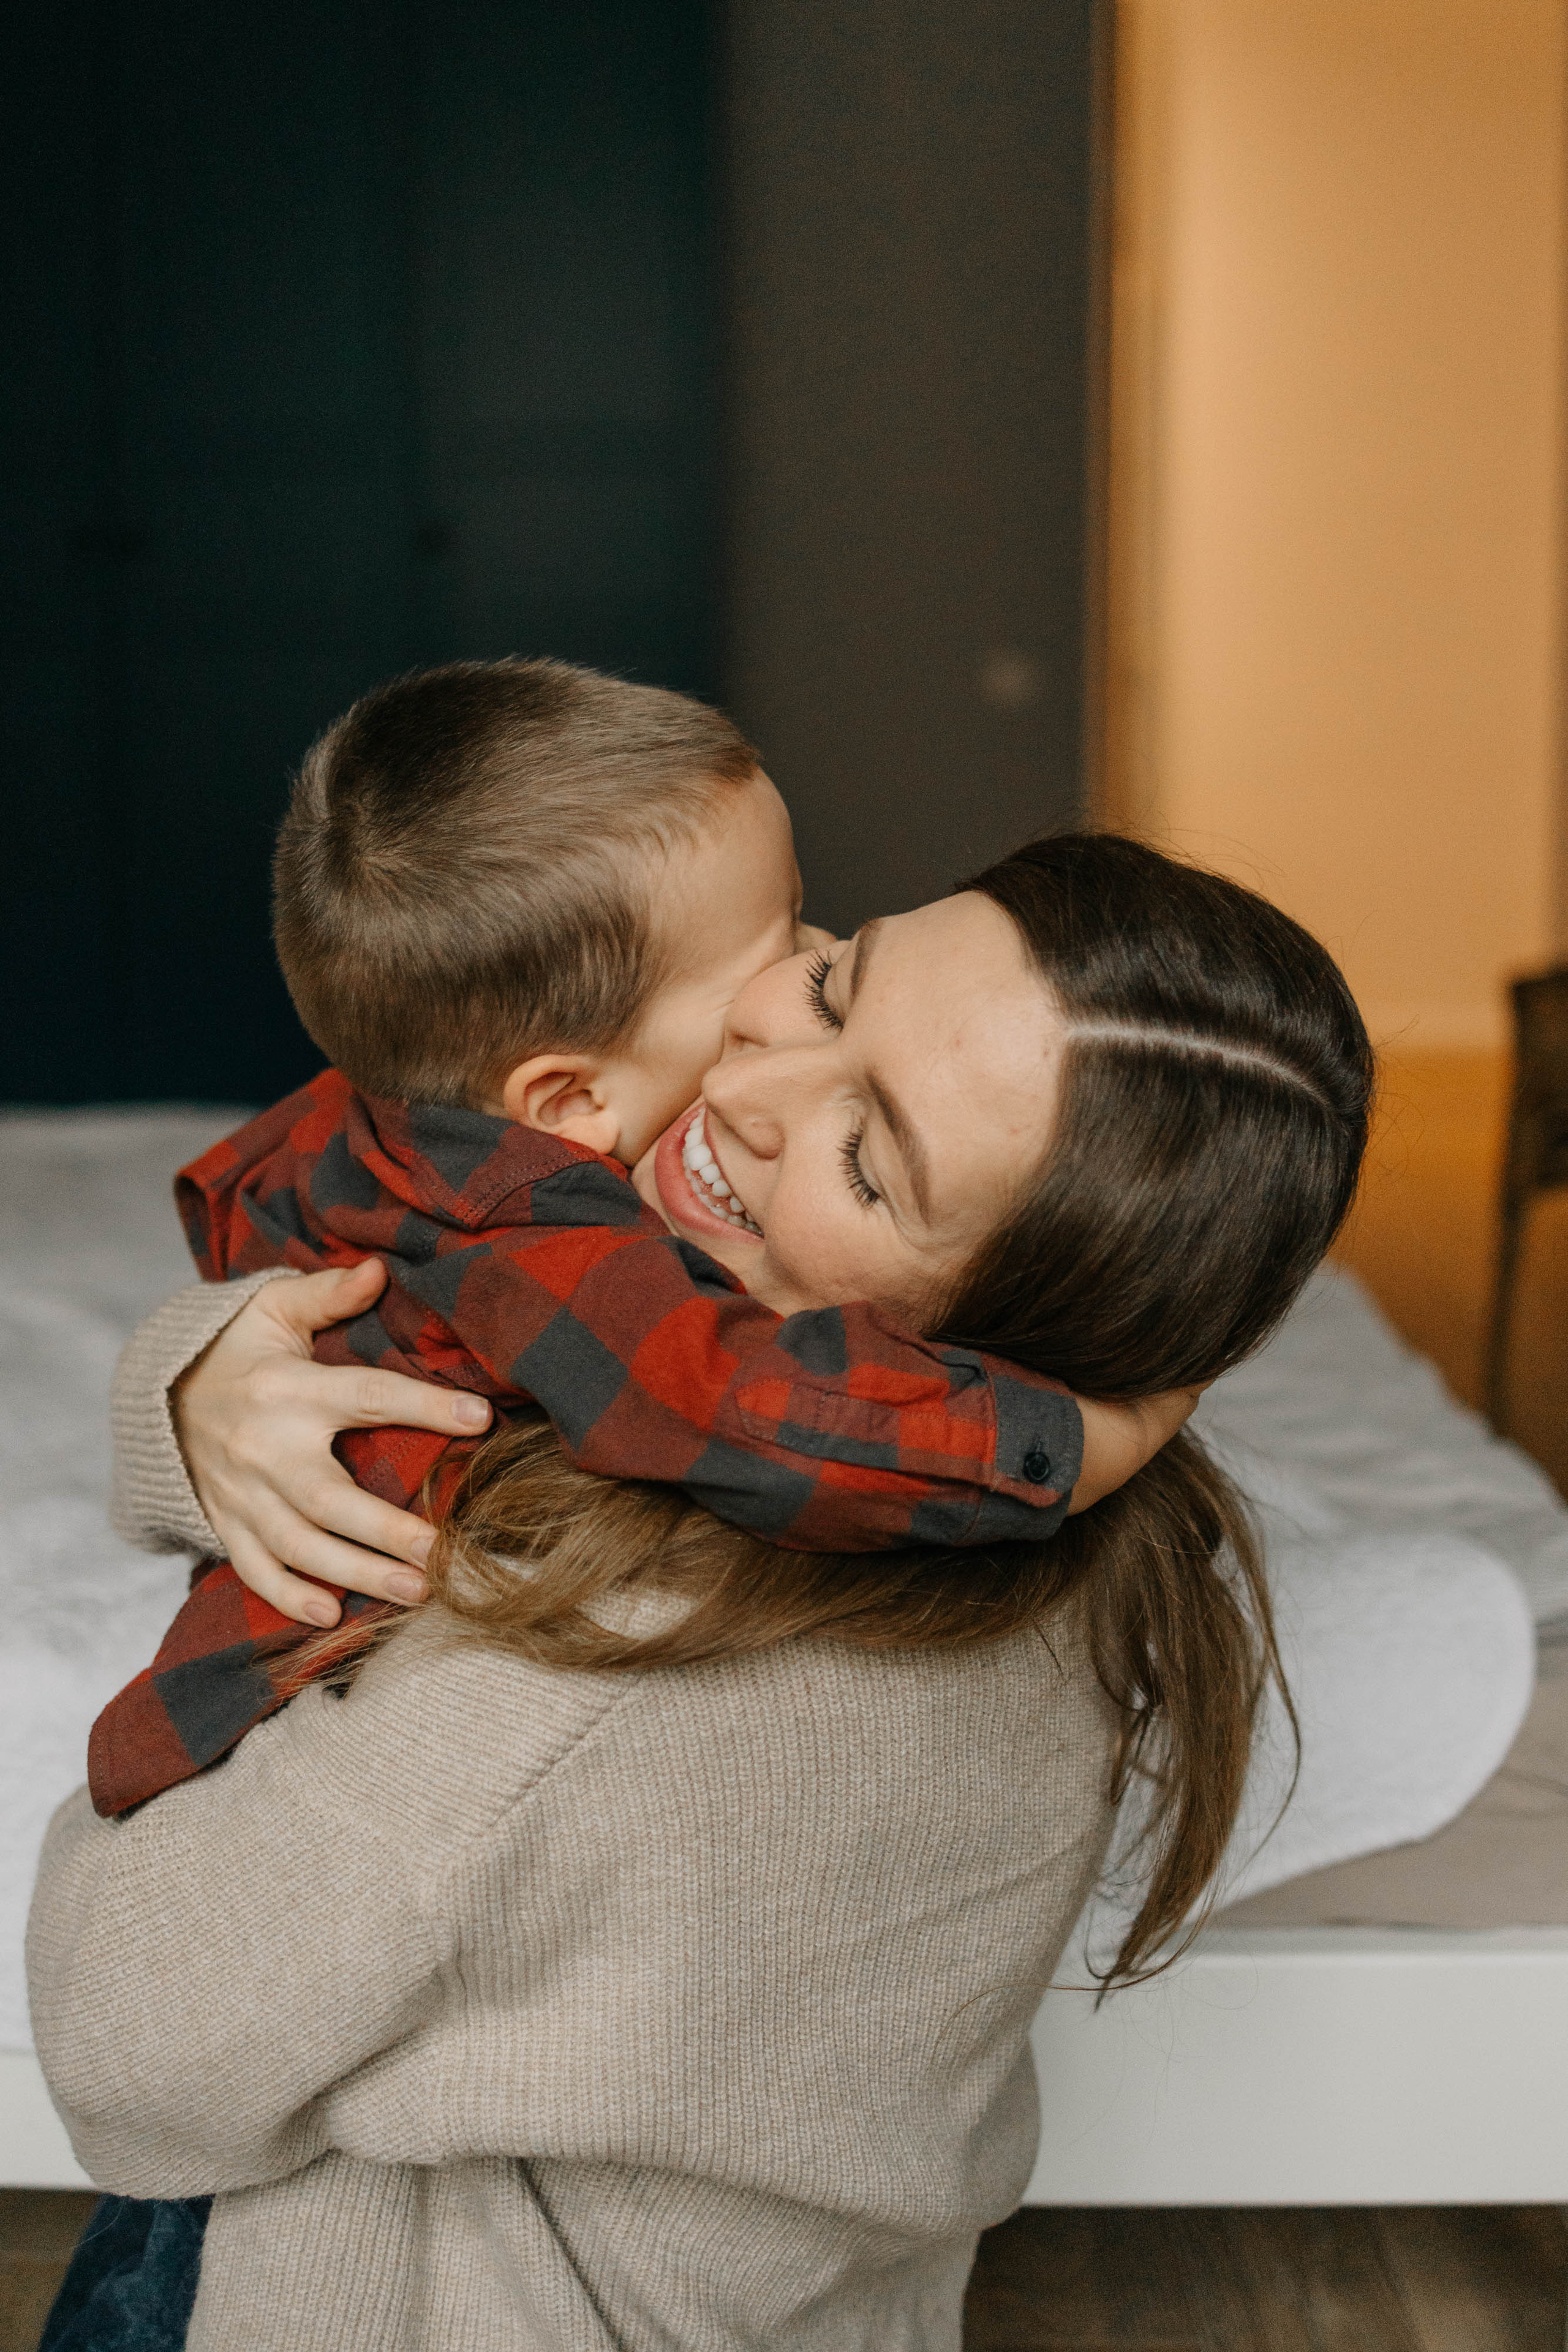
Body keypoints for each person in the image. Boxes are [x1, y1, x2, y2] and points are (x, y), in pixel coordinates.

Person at [29, 835, 1373, 2351]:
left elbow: (128, 2039)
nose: (742, 1093)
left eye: (870, 1161)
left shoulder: (575, 1680)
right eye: (826, 983)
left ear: (1000, 1338)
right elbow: (439, 1328)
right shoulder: (1071, 1556)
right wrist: (200, 1391)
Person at [89, 659, 1167, 1817]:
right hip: (260, 1749)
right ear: (566, 1109)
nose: (818, 949)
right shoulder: (540, 1245)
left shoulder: (387, 1112)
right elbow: (739, 1408)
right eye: (779, 945)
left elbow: (243, 1214)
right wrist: (1078, 1441)